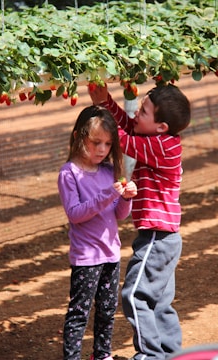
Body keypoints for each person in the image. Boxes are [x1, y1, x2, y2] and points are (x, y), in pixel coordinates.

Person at [88, 83, 191, 360]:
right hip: (165, 237)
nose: (137, 115)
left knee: (134, 295)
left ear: (161, 126)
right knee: (159, 302)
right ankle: (171, 353)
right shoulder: (163, 139)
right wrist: (106, 101)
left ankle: (149, 355)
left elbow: (124, 138)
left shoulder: (162, 147)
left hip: (157, 239)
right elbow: (131, 128)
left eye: (143, 111)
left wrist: (101, 112)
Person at [58, 105, 137, 360]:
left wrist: (126, 198)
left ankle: (102, 355)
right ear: (78, 136)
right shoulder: (69, 173)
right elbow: (76, 214)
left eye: (107, 143)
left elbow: (119, 214)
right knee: (79, 312)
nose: (102, 149)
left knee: (106, 310)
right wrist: (109, 194)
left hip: (111, 254)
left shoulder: (108, 171)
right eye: (96, 142)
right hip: (86, 258)